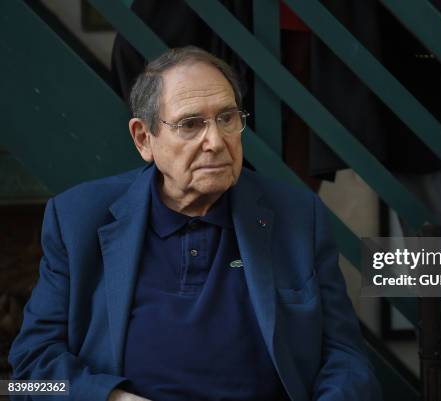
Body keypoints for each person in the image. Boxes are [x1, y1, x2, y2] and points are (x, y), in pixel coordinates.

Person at [8, 46, 381, 401]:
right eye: (190, 124)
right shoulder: (78, 218)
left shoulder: (296, 214)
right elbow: (29, 371)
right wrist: (112, 397)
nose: (216, 141)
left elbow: (345, 357)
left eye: (227, 117)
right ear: (144, 138)